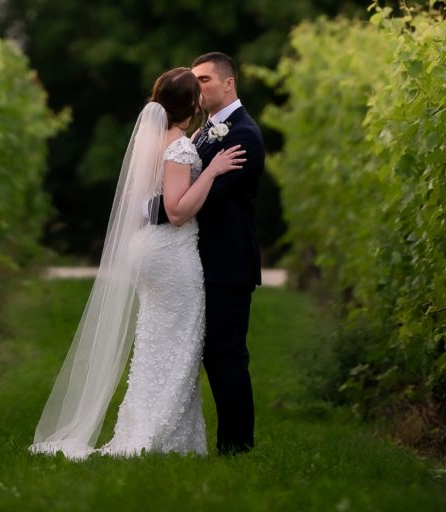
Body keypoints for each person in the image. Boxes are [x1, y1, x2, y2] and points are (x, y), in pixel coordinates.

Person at [29, 67, 246, 460]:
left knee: (154, 341)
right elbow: (177, 211)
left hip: (147, 248)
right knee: (178, 343)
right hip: (170, 252)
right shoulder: (179, 146)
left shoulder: (151, 142)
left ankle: (155, 431)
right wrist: (212, 171)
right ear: (193, 103)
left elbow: (140, 204)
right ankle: (154, 434)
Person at [162, 52, 265, 455]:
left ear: (228, 83)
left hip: (229, 262)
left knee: (226, 354)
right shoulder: (206, 132)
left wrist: (154, 212)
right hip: (202, 260)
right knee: (211, 353)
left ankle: (236, 446)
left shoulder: (243, 135)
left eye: (204, 80)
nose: (197, 87)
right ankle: (225, 442)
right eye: (194, 80)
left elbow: (205, 200)